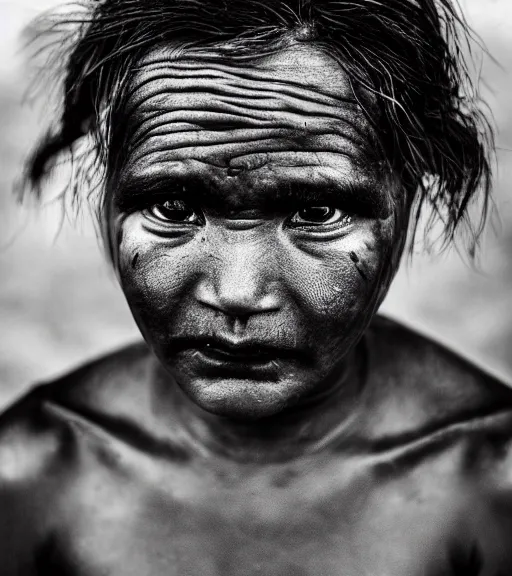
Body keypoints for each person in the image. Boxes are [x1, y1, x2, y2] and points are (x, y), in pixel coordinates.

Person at [1, 0, 511, 574]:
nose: (238, 292)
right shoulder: (33, 471)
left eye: (317, 212)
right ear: (108, 197)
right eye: (173, 207)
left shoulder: (489, 484)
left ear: (408, 197)